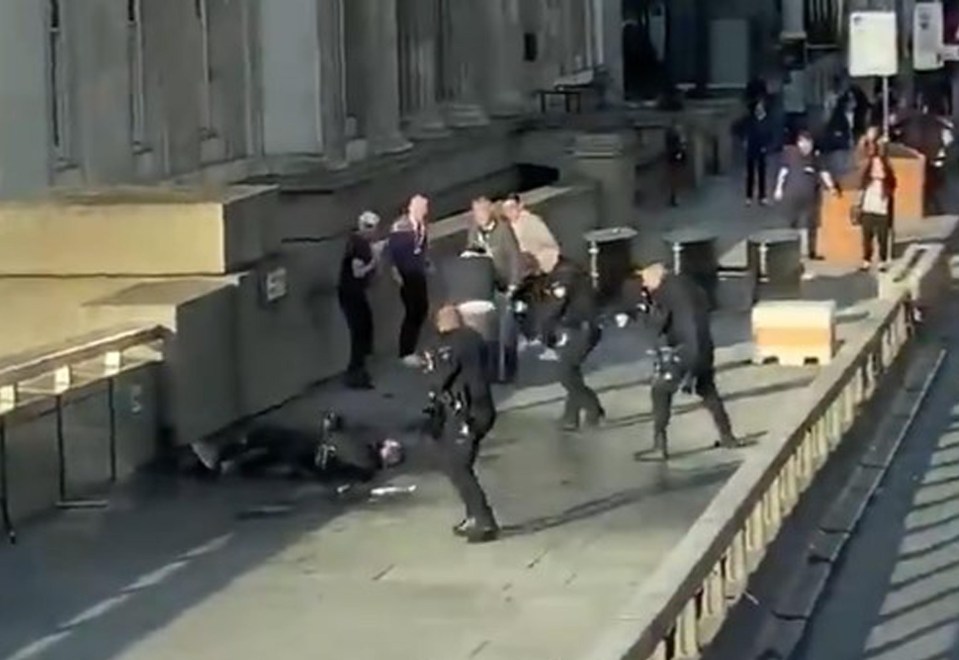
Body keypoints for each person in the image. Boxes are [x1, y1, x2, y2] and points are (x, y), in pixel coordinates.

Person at [623, 264, 741, 460]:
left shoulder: (665, 293)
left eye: (645, 281)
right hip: (704, 347)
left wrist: (645, 307)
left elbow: (658, 324)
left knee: (660, 391)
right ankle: (728, 436)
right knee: (708, 391)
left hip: (684, 351)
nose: (644, 285)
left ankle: (659, 445)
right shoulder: (690, 286)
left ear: (655, 278)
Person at [424, 306, 499, 543]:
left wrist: (428, 367)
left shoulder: (449, 344)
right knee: (457, 464)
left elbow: (440, 377)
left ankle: (483, 519)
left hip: (466, 412)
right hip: (482, 408)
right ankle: (474, 515)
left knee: (457, 466)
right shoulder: (474, 338)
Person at [189, 411, 405, 485]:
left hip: (307, 455)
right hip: (309, 458)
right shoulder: (366, 459)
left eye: (391, 450)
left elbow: (341, 445)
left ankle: (216, 459)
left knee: (266, 440)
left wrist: (333, 427)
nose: (387, 444)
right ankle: (217, 464)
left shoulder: (365, 460)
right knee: (264, 456)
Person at [538, 258, 605, 431]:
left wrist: (545, 335)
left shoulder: (563, 278)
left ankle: (593, 407)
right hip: (588, 329)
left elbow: (554, 308)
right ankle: (571, 417)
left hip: (576, 331)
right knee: (572, 373)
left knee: (566, 375)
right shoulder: (577, 274)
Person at [773, 131, 839, 278]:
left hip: (811, 196)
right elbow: (783, 171)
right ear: (798, 143)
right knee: (791, 224)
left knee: (812, 224)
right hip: (793, 195)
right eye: (803, 143)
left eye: (808, 143)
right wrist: (778, 189)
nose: (806, 146)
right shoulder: (790, 154)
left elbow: (823, 172)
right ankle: (790, 251)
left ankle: (811, 252)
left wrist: (831, 187)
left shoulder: (815, 157)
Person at [501, 193, 561, 350]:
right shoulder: (505, 227)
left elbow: (550, 246)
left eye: (512, 208)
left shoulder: (531, 222)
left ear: (520, 206)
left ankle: (540, 335)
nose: (509, 213)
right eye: (506, 209)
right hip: (519, 272)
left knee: (534, 303)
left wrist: (538, 261)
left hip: (536, 271)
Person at [337, 211, 381, 389]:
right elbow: (358, 272)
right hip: (351, 293)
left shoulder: (359, 242)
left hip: (353, 292)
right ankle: (356, 372)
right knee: (360, 331)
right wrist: (374, 262)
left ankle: (359, 369)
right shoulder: (359, 244)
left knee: (364, 328)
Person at [388, 194, 431, 366]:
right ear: (413, 208)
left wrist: (427, 263)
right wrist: (395, 271)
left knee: (422, 308)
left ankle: (411, 348)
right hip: (406, 274)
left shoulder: (422, 226)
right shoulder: (401, 227)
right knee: (413, 310)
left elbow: (422, 248)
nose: (426, 211)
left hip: (418, 272)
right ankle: (406, 351)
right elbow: (393, 252)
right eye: (423, 208)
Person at [464, 196, 522, 292]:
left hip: (501, 279)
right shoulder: (474, 230)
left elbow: (514, 256)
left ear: (490, 211)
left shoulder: (503, 230)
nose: (479, 215)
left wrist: (514, 283)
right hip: (482, 278)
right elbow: (470, 251)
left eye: (483, 211)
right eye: (476, 211)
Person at [853, 152, 896, 272]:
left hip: (882, 212)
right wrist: (858, 206)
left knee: (882, 238)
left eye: (879, 166)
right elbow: (860, 194)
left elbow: (891, 194)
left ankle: (882, 261)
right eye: (875, 166)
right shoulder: (867, 181)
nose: (877, 169)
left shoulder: (887, 183)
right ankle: (866, 260)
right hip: (868, 211)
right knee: (867, 238)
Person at [743, 100, 772, 205]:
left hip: (762, 149)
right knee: (750, 174)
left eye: (760, 108)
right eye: (757, 108)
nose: (758, 110)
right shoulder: (750, 120)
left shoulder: (767, 121)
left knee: (762, 174)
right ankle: (749, 196)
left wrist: (767, 147)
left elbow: (770, 135)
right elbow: (745, 132)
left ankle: (762, 196)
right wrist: (745, 141)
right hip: (751, 149)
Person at [665, 121, 687, 206]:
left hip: (672, 157)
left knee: (673, 177)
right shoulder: (678, 139)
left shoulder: (669, 136)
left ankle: (674, 196)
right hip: (675, 157)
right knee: (676, 177)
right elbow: (681, 148)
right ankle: (674, 197)